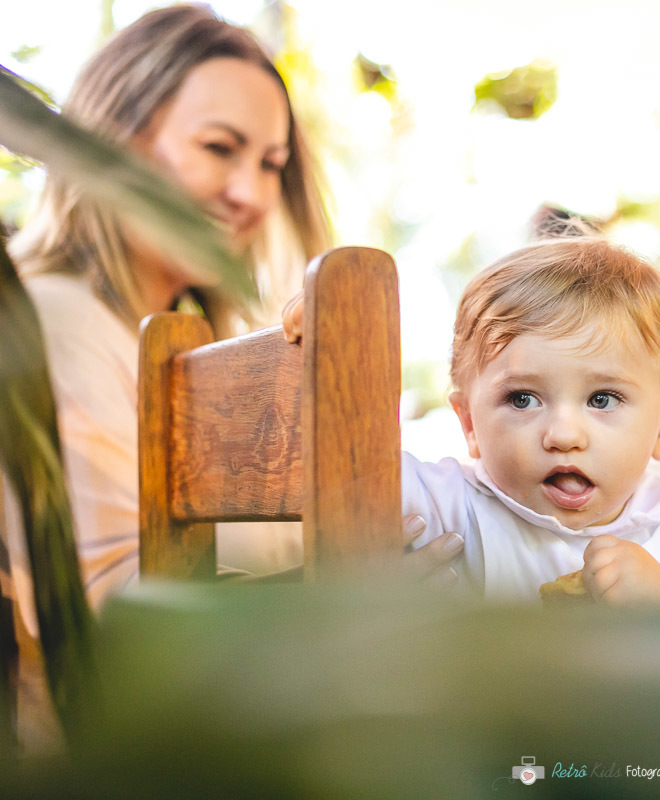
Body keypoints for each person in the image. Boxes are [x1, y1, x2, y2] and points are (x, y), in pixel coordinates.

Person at [0, 4, 460, 637]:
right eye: (219, 148)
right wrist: (343, 600)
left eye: (271, 165)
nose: (250, 194)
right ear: (110, 142)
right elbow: (99, 616)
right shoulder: (56, 324)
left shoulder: (188, 347)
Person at [285, 237, 660, 610]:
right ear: (469, 423)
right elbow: (328, 462)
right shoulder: (446, 507)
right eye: (522, 399)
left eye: (602, 398)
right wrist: (321, 356)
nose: (564, 436)